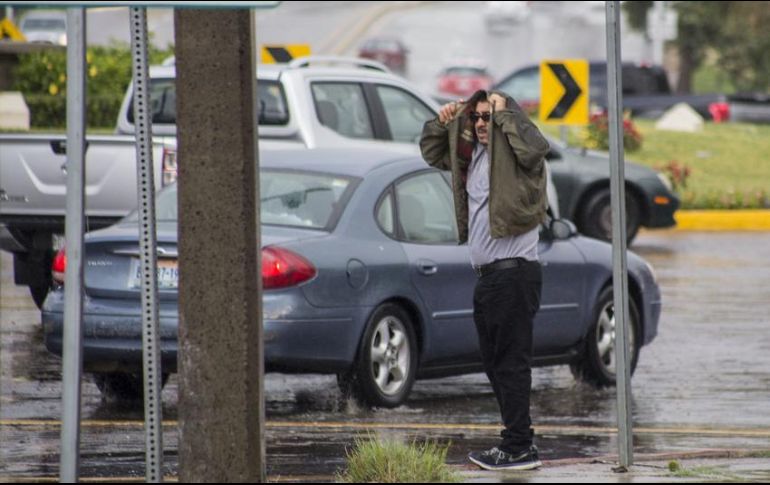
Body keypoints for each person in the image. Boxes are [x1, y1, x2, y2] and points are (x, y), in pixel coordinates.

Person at [419, 90, 550, 471]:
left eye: (486, 117)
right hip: (489, 277)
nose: (480, 124)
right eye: (475, 117)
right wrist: (442, 121)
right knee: (495, 364)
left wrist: (503, 114)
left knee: (511, 364)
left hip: (514, 273)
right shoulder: (472, 157)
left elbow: (535, 148)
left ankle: (519, 447)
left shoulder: (518, 159)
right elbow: (432, 152)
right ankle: (516, 443)